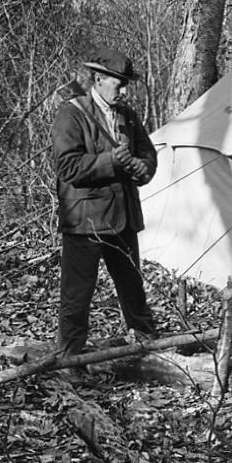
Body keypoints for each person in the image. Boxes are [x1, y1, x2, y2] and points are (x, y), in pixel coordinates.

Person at [52, 47, 160, 358]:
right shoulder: (71, 113)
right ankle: (70, 360)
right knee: (77, 297)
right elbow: (68, 168)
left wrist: (144, 168)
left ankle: (149, 351)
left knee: (133, 289)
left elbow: (147, 153)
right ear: (99, 79)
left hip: (123, 217)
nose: (123, 89)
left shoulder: (127, 114)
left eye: (125, 83)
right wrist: (110, 161)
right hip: (85, 220)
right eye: (118, 82)